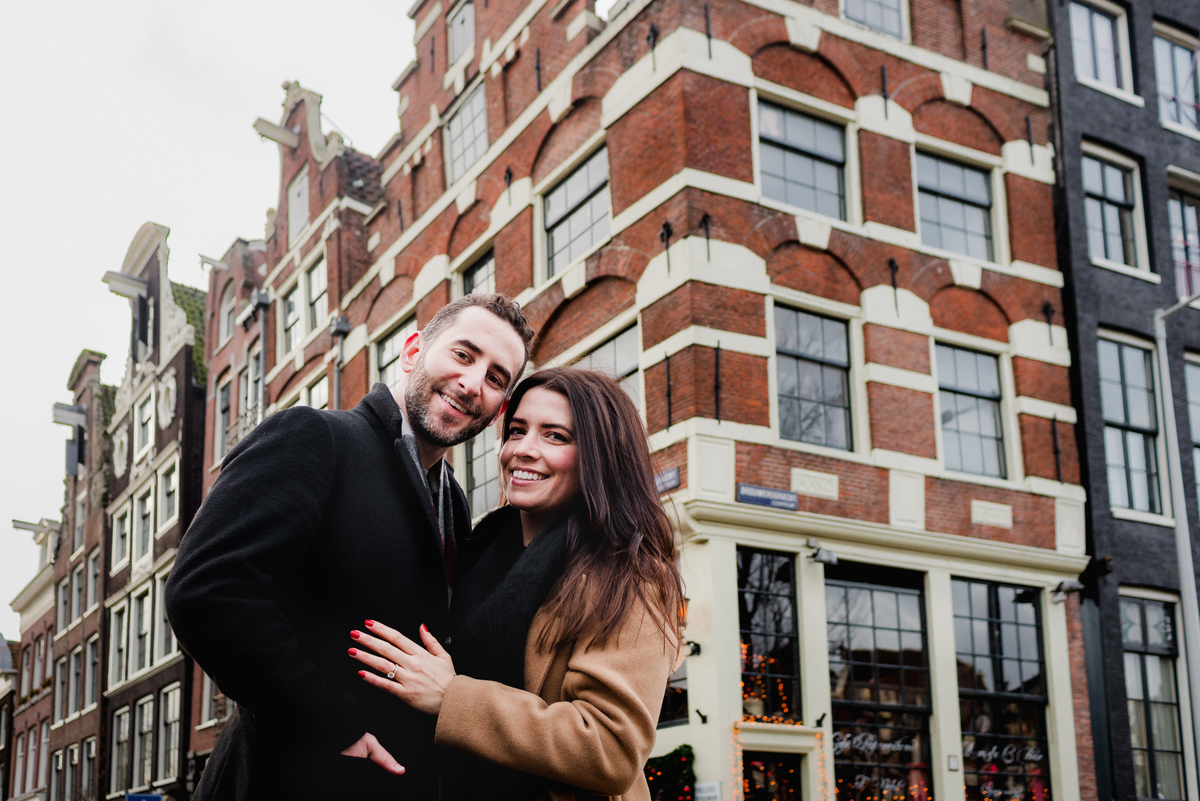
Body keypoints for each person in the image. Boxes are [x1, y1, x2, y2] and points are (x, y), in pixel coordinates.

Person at [165, 294, 535, 801]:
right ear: (412, 351)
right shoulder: (315, 437)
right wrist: (330, 721)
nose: (472, 384)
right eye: (463, 355)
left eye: (496, 379)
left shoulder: (455, 505)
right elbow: (206, 590)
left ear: (497, 411)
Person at [349, 368, 685, 801]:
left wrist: (452, 697)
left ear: (600, 456)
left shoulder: (628, 573)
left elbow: (611, 750)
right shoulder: (473, 546)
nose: (524, 450)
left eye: (555, 437)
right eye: (517, 431)